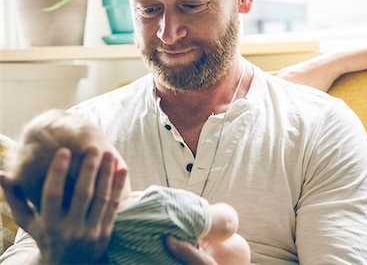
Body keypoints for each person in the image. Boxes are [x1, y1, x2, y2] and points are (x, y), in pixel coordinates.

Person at [0, 0, 367, 264]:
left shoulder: (321, 128)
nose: (168, 34)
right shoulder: (84, 132)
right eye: (148, 9)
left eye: (193, 6)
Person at [7, 109, 250, 265]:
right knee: (233, 246)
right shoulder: (159, 204)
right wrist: (54, 259)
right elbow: (226, 223)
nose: (169, 31)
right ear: (115, 166)